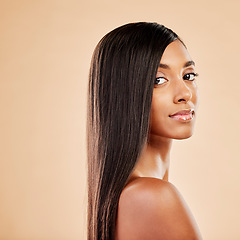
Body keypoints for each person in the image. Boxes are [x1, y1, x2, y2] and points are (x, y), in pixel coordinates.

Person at [87, 22, 202, 240]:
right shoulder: (152, 196)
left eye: (188, 76)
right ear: (123, 93)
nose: (185, 93)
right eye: (159, 80)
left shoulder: (130, 195)